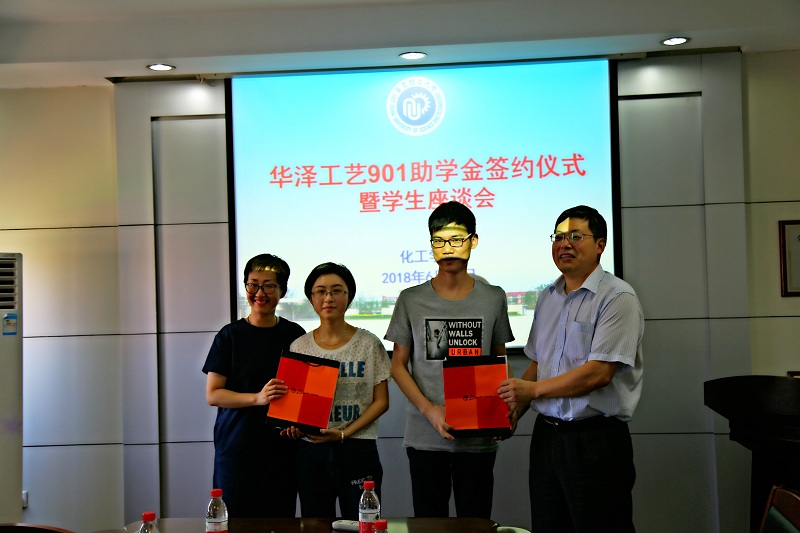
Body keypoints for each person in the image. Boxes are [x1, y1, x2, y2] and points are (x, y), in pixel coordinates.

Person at [497, 205, 644, 533]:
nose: (564, 244)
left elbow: (599, 373)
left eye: (576, 236)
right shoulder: (547, 297)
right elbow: (538, 363)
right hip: (547, 438)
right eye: (559, 237)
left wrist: (532, 391)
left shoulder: (617, 297)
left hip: (596, 440)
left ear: (601, 245)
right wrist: (514, 411)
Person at [384, 200, 514, 519]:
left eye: (456, 239)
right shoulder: (411, 299)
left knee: (476, 522)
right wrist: (430, 410)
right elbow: (398, 366)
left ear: (473, 241)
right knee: (429, 524)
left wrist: (504, 409)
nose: (448, 248)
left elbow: (499, 359)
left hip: (478, 435)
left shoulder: (493, 297)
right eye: (439, 240)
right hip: (425, 436)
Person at [280, 262, 391, 520]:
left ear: (349, 296)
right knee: (315, 523)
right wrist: (294, 426)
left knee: (364, 522)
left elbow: (381, 401)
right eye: (321, 291)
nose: (328, 298)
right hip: (312, 451)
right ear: (311, 299)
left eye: (337, 290)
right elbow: (295, 403)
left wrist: (343, 433)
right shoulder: (299, 346)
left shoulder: (369, 343)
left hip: (358, 448)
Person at [202, 253, 306, 517]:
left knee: (280, 520)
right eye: (253, 285)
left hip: (281, 449)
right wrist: (258, 398)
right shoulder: (229, 336)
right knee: (235, 521)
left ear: (282, 291)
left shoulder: (295, 335)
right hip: (236, 447)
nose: (260, 293)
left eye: (269, 286)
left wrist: (300, 423)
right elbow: (213, 394)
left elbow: (302, 392)